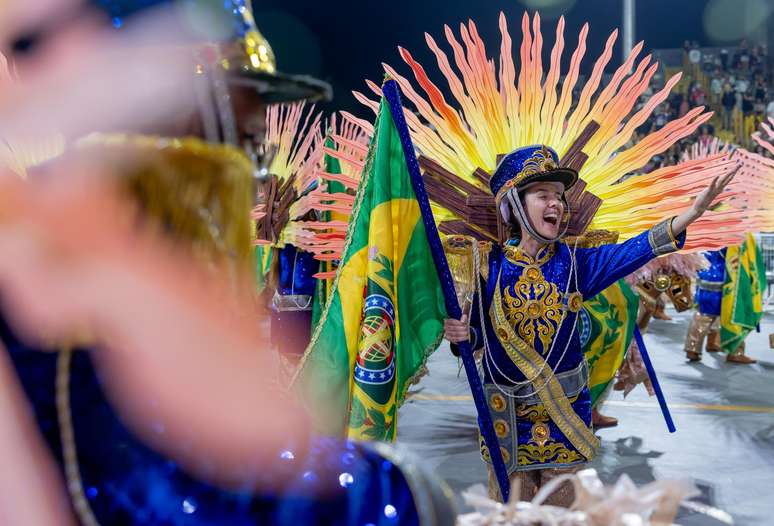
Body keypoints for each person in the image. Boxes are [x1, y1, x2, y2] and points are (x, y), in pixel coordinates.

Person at [443, 145, 733, 507]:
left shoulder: (577, 264)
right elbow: (474, 342)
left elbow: (635, 249)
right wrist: (461, 336)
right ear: (514, 206)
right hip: (507, 419)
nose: (556, 205)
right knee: (508, 512)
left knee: (560, 512)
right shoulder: (487, 266)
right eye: (542, 195)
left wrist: (689, 215)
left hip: (563, 416)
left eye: (559, 197)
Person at [684, 249, 757, 364]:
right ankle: (736, 352)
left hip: (707, 275)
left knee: (703, 315)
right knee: (735, 316)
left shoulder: (710, 234)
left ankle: (694, 348)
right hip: (726, 279)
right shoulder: (732, 236)